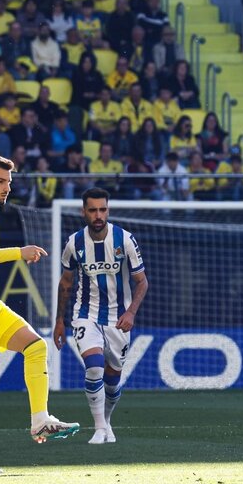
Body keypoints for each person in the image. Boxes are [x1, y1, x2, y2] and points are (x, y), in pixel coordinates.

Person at [0, 154, 79, 474]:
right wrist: (19, 252)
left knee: (36, 347)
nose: (7, 187)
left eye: (9, 181)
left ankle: (40, 420)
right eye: (1, 181)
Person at [53, 188, 149, 445]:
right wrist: (60, 320)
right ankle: (98, 428)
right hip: (86, 314)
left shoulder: (125, 240)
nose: (98, 215)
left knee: (113, 380)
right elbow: (66, 283)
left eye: (102, 210)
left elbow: (142, 282)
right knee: (94, 366)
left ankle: (106, 421)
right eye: (93, 210)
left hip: (119, 318)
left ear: (108, 210)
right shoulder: (74, 243)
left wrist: (131, 312)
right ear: (83, 212)